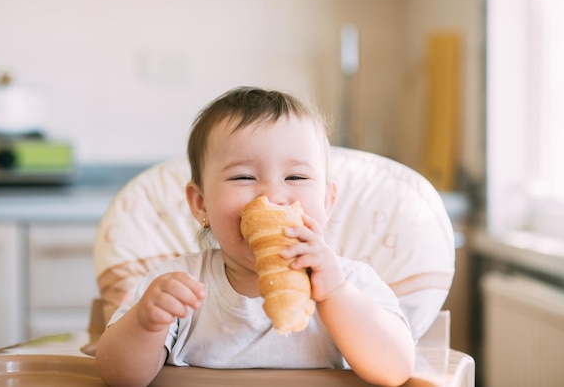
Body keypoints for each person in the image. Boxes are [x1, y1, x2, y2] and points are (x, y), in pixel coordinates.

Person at [95, 86, 415, 387]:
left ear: (328, 202)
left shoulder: (351, 282)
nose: (273, 195)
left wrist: (336, 293)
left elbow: (396, 369)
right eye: (244, 176)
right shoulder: (177, 286)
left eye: (297, 176)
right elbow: (118, 377)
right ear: (200, 203)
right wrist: (146, 323)